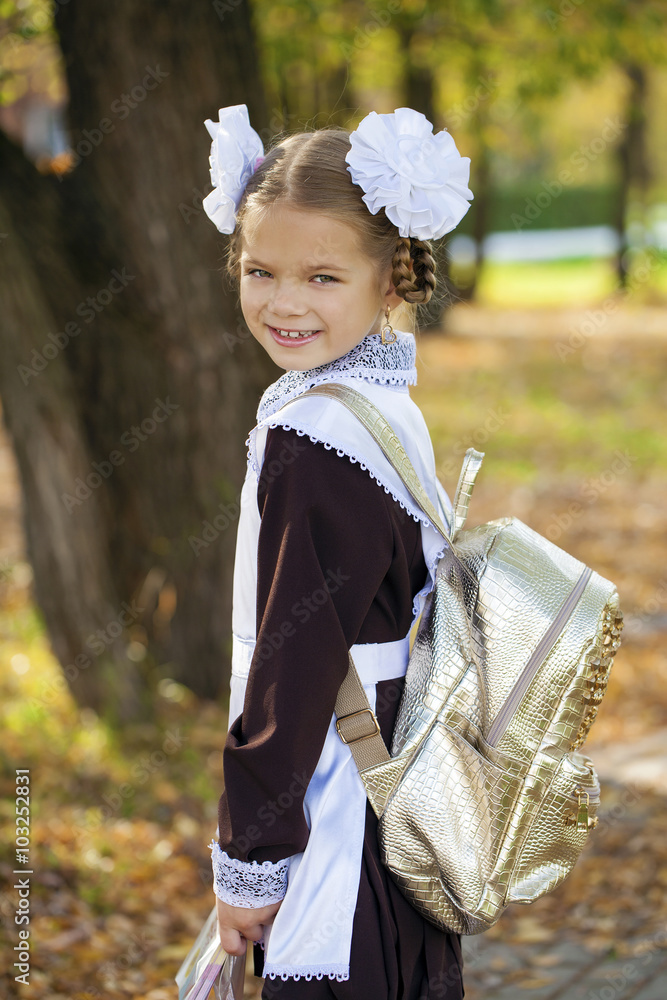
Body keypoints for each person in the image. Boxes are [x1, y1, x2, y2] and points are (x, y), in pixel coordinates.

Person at [201, 104, 474, 999]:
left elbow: (290, 668)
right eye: (260, 271)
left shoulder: (315, 438)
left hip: (339, 818)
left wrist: (249, 863)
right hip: (400, 791)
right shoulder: (377, 404)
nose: (284, 301)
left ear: (387, 280)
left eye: (322, 276)